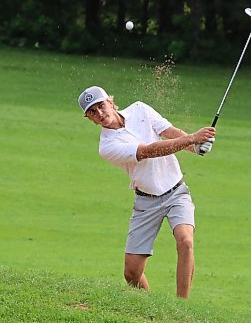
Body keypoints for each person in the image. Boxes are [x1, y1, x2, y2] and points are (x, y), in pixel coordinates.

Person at [78, 86, 216, 299]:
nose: (100, 113)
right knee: (131, 273)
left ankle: (183, 306)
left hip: (176, 192)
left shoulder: (140, 109)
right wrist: (192, 139)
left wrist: (196, 146)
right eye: (92, 112)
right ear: (90, 119)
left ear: (110, 102)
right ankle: (152, 307)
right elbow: (149, 151)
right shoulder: (107, 146)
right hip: (146, 202)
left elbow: (169, 132)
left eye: (101, 106)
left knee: (185, 240)